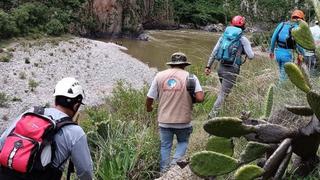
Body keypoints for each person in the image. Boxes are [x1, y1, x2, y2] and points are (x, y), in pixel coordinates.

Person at [0, 77, 93, 180]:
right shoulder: (75, 132)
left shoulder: (30, 112)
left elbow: (2, 141)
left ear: (55, 99)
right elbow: (85, 171)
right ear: (76, 105)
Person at [146, 52, 204, 172]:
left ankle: (164, 171)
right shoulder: (191, 77)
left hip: (164, 121)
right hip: (183, 120)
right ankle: (174, 166)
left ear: (171, 64)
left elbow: (150, 97)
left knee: (165, 146)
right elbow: (200, 98)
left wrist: (149, 108)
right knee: (182, 142)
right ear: (184, 65)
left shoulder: (159, 76)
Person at [205, 15, 254, 118]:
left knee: (224, 91)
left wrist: (208, 66)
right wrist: (243, 50)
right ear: (243, 26)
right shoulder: (242, 39)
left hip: (221, 67)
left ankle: (223, 110)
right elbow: (251, 56)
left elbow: (214, 52)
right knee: (223, 93)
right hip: (232, 70)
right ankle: (211, 116)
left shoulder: (223, 36)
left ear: (232, 24)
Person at [269, 9, 305, 81]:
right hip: (288, 55)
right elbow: (299, 44)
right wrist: (302, 53)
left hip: (278, 53)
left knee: (282, 73)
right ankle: (279, 91)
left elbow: (273, 38)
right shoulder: (297, 28)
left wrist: (271, 51)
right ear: (301, 19)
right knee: (283, 79)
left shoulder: (282, 24)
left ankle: (278, 89)